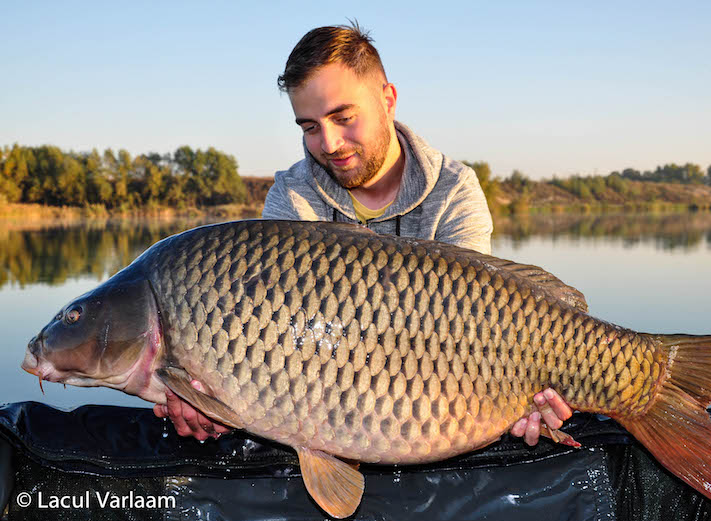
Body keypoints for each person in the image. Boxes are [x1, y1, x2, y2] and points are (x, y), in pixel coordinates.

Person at [154, 23, 573, 448]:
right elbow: (275, 348)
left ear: (387, 100)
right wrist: (219, 399)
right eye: (310, 127)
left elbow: (467, 330)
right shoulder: (292, 198)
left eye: (343, 117)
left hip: (437, 393)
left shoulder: (454, 191)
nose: (330, 143)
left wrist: (520, 396)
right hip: (328, 408)